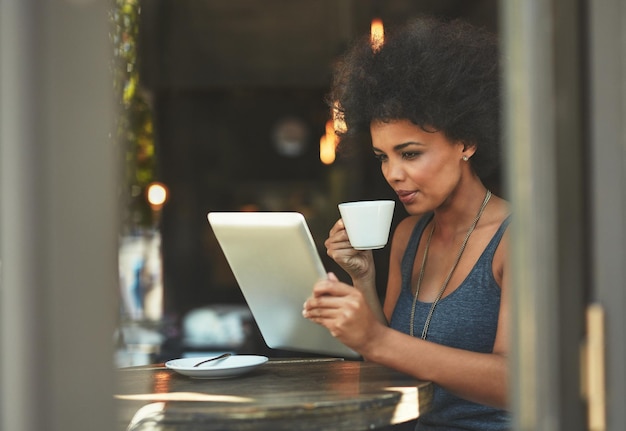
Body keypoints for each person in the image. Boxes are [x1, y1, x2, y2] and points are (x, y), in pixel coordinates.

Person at [302, 16, 511, 430]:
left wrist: (374, 338)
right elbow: (389, 366)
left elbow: (517, 382)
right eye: (383, 156)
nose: (393, 174)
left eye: (410, 153)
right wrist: (362, 280)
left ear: (466, 142)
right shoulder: (408, 236)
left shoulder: (516, 240)